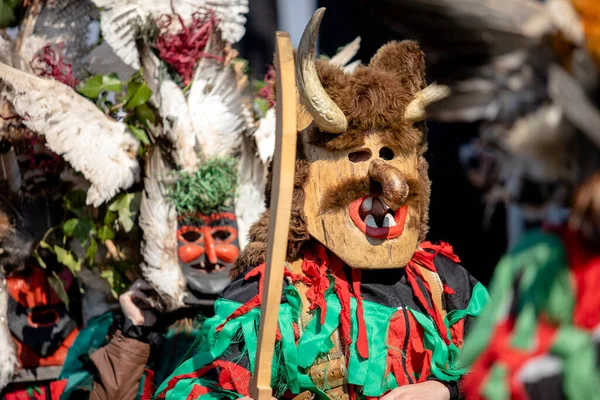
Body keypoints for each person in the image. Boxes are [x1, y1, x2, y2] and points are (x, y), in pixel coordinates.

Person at [154, 9, 488, 400]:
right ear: (305, 179)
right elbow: (196, 387)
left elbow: (519, 369)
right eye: (357, 157)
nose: (389, 185)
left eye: (391, 153)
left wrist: (446, 391)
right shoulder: (272, 296)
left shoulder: (447, 285)